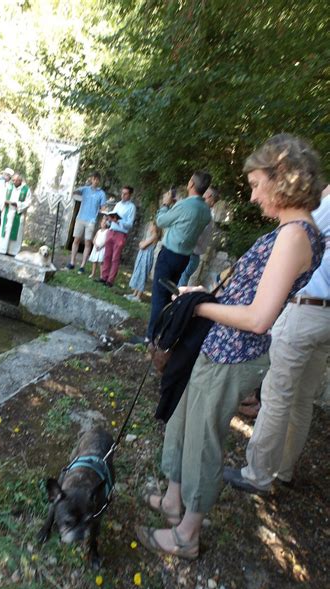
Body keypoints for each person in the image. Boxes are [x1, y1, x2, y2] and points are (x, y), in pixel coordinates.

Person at [135, 134, 324, 560]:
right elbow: (249, 295)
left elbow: (259, 317)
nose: (253, 195)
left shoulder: (296, 236)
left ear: (283, 180)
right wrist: (208, 294)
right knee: (183, 420)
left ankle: (187, 534)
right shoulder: (290, 231)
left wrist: (200, 307)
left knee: (204, 437)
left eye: (257, 184)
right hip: (219, 345)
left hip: (234, 353)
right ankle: (172, 499)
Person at [224, 188, 330, 493]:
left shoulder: (323, 206)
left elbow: (296, 226)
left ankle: (257, 475)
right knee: (303, 398)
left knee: (277, 395)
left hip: (305, 310)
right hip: (325, 318)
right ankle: (284, 470)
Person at [145, 172, 212, 342]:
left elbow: (161, 221)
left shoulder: (184, 205)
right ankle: (163, 333)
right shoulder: (206, 211)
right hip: (184, 258)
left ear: (191, 184)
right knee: (169, 296)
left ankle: (151, 338)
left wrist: (166, 205)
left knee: (159, 296)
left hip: (169, 255)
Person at [178, 187, 219, 287]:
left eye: (204, 193)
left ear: (209, 196)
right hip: (192, 256)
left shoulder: (204, 215)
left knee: (180, 284)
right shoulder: (207, 216)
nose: (201, 195)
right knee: (180, 281)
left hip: (190, 255)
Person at [67, 172, 107, 273]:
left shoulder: (101, 193)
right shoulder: (85, 189)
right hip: (80, 218)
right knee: (76, 240)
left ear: (99, 181)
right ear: (91, 179)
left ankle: (82, 266)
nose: (95, 181)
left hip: (91, 221)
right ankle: (72, 262)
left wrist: (105, 212)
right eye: (94, 179)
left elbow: (103, 207)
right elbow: (72, 191)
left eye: (97, 179)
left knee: (87, 242)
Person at [98, 185, 136, 287]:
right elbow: (113, 215)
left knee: (115, 258)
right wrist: (110, 219)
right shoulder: (118, 204)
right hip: (111, 231)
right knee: (107, 255)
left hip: (121, 233)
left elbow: (130, 224)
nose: (122, 195)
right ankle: (103, 277)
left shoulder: (132, 207)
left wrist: (119, 220)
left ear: (130, 195)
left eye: (125, 194)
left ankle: (110, 280)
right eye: (122, 193)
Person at [124, 219, 161, 301]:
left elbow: (142, 245)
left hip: (147, 256)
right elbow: (141, 243)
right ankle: (134, 293)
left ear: (155, 227)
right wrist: (142, 243)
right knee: (138, 272)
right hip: (142, 255)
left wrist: (142, 243)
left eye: (151, 225)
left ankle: (138, 296)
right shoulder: (149, 235)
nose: (149, 227)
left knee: (143, 274)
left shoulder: (154, 236)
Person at [0, 172, 31, 256]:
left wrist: (17, 204)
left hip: (17, 214)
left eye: (16, 180)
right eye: (13, 180)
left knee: (16, 232)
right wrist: (4, 201)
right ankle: (2, 249)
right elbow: (1, 196)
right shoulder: (8, 186)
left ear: (21, 181)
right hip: (7, 213)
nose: (14, 182)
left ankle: (13, 251)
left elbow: (28, 202)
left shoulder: (26, 189)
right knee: (5, 230)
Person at [88, 213, 109, 279]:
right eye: (102, 223)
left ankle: (101, 275)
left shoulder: (107, 231)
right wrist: (95, 245)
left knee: (101, 262)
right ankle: (93, 273)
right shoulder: (99, 231)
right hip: (96, 247)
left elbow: (106, 241)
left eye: (104, 223)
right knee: (94, 261)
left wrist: (101, 246)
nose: (103, 224)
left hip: (102, 248)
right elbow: (94, 239)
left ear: (107, 224)